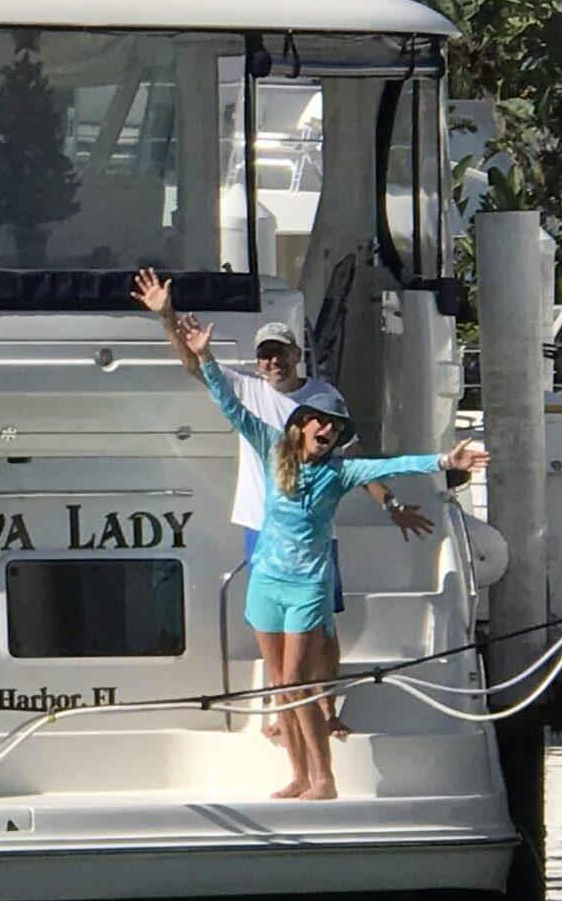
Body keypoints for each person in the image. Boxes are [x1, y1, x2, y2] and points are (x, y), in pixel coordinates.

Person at [177, 313, 487, 799]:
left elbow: (395, 463)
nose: (325, 427)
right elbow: (229, 406)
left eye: (333, 424)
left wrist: (446, 461)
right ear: (299, 427)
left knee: (299, 684)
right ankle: (299, 776)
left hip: (306, 586)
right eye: (317, 420)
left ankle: (324, 780)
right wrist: (204, 356)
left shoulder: (339, 472)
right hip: (266, 582)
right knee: (280, 686)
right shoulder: (271, 448)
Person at [131, 269, 433, 737]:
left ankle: (327, 708)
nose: (272, 361)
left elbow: (357, 461)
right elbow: (194, 365)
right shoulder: (248, 388)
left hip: (311, 530)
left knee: (324, 627)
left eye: (280, 352)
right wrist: (166, 316)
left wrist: (392, 507)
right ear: (258, 361)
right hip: (261, 525)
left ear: (297, 355)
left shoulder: (323, 398)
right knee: (273, 629)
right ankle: (282, 710)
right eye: (265, 354)